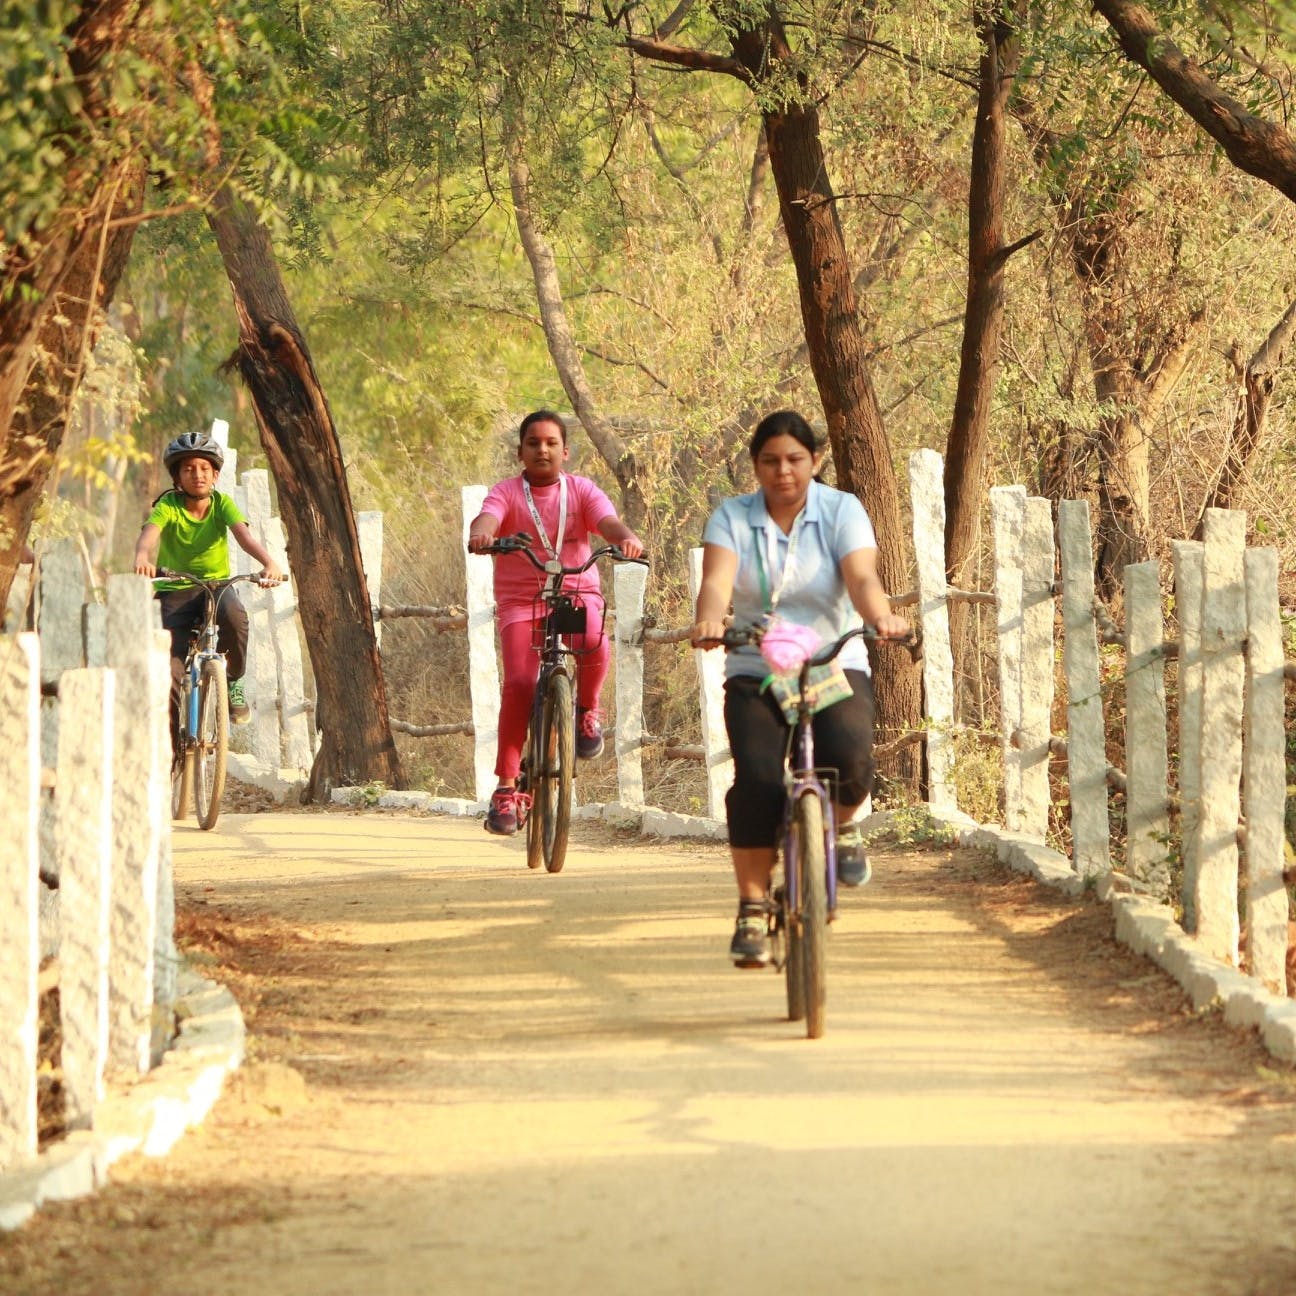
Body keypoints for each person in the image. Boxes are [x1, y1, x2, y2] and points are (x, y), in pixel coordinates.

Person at [690, 409, 909, 968]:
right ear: (755, 466)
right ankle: (752, 907)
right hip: (755, 664)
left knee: (853, 760)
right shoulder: (732, 517)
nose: (783, 471)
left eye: (794, 459)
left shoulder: (843, 511)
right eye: (769, 461)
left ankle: (840, 828)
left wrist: (881, 616)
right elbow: (716, 582)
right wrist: (711, 620)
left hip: (831, 661)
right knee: (759, 782)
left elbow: (861, 578)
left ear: (814, 460)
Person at [467, 410, 645, 836]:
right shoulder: (506, 492)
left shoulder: (581, 490)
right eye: (533, 443)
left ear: (565, 451)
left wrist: (623, 537)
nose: (542, 449)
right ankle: (507, 788)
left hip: (576, 592)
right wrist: (482, 534)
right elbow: (487, 517)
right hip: (522, 602)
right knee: (520, 685)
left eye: (550, 443)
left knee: (593, 641)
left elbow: (606, 520)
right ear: (520, 452)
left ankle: (586, 710)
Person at [133, 430, 282, 739]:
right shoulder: (168, 506)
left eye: (204, 469)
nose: (197, 475)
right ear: (177, 477)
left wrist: (269, 563)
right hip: (175, 589)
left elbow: (244, 537)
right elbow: (149, 534)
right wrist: (142, 556)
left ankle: (234, 679)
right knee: (168, 669)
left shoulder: (221, 504)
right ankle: (171, 747)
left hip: (216, 587)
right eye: (188, 469)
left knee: (235, 619)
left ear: (215, 474)